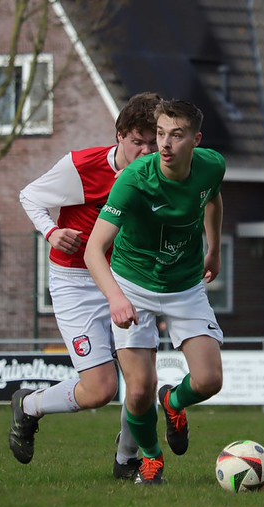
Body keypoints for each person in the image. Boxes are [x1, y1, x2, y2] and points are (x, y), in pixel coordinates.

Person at [11, 92, 162, 478]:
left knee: (143, 384)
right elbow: (30, 195)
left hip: (129, 280)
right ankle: (29, 406)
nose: (146, 150)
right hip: (76, 281)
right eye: (137, 141)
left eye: (153, 141)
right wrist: (51, 231)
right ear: (119, 137)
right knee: (100, 390)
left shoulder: (165, 173)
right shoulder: (81, 167)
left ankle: (128, 460)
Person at [84, 99, 225, 485]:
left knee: (210, 380)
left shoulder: (212, 165)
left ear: (195, 140)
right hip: (134, 284)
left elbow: (212, 198)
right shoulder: (134, 180)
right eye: (160, 133)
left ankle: (174, 402)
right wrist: (116, 297)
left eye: (176, 135)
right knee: (139, 389)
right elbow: (93, 249)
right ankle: (150, 459)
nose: (164, 144)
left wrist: (215, 248)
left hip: (185, 285)